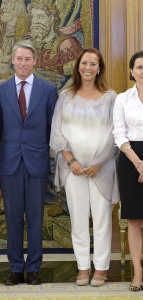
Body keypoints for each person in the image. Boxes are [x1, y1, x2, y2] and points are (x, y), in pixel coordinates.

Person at [50, 48, 118, 287]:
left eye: (93, 64)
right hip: (73, 170)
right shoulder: (66, 96)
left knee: (101, 220)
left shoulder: (111, 96)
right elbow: (57, 133)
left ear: (99, 68)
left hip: (102, 169)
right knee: (78, 220)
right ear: (78, 66)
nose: (88, 68)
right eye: (84, 63)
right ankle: (82, 268)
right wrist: (72, 161)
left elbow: (114, 133)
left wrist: (98, 162)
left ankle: (100, 269)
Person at [0, 40, 57, 285]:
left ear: (35, 61)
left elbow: (52, 127)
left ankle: (33, 268)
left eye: (27, 59)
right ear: (13, 60)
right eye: (19, 59)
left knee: (35, 217)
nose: (23, 63)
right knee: (12, 218)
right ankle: (15, 268)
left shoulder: (48, 90)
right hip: (10, 162)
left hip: (36, 162)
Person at [113, 50, 143, 292]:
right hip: (130, 158)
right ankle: (137, 272)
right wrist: (139, 163)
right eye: (140, 67)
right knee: (134, 220)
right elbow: (119, 134)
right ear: (132, 71)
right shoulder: (123, 99)